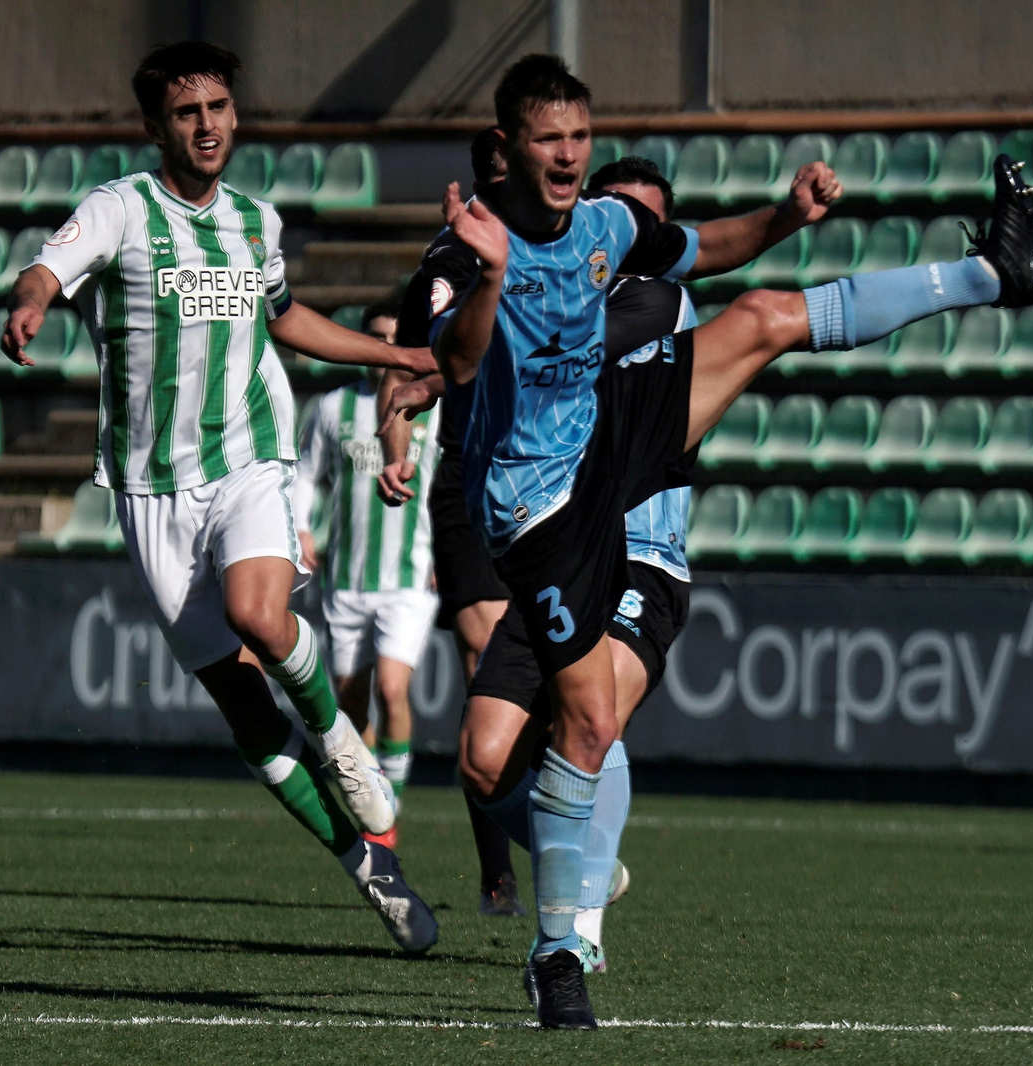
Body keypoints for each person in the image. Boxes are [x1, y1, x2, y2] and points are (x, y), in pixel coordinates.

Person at [428, 54, 1033, 1028]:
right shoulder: (465, 247)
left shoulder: (609, 228)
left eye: (580, 137)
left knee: (761, 316)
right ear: (508, 147)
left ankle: (988, 273)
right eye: (551, 140)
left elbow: (703, 248)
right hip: (540, 508)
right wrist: (487, 281)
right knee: (530, 742)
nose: (569, 155)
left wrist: (785, 218)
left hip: (607, 444)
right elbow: (453, 362)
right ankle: (570, 901)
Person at [0, 40, 438, 952]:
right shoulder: (119, 209)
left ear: (235, 114)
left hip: (248, 459)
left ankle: (343, 745)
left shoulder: (254, 223)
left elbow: (284, 317)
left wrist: (393, 352)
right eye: (188, 112)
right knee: (245, 709)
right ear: (155, 126)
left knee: (259, 615)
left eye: (219, 108)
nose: (207, 125)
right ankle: (367, 865)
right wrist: (31, 301)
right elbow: (47, 267)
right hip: (151, 489)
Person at [381, 155, 696, 981]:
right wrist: (413, 404)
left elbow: (536, 352)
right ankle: (565, 863)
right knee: (483, 756)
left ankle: (573, 929)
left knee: (587, 718)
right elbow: (434, 348)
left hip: (634, 554)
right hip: (526, 518)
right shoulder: (543, 282)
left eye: (643, 224)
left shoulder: (663, 305)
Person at [377, 126, 528, 917]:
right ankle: (500, 869)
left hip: (561, 469)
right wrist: (395, 447)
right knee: (486, 658)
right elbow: (409, 360)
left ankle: (565, 835)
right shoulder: (450, 259)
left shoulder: (583, 239)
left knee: (566, 682)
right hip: (473, 473)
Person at [292, 298, 440, 849]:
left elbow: (453, 481)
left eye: (397, 338)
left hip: (410, 575)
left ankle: (388, 811)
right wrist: (301, 529)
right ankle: (377, 799)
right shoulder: (334, 408)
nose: (387, 349)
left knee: (394, 690)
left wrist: (450, 550)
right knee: (351, 701)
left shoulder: (432, 407)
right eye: (378, 337)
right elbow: (304, 474)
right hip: (346, 579)